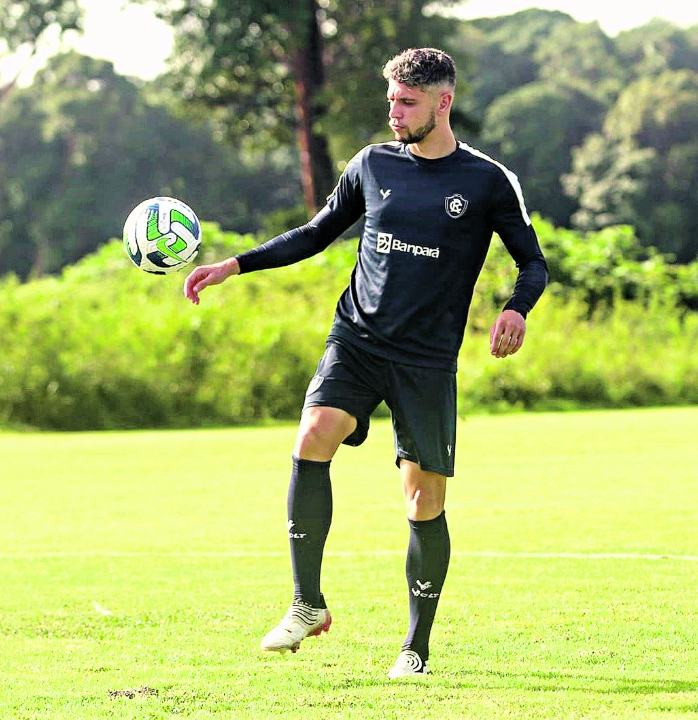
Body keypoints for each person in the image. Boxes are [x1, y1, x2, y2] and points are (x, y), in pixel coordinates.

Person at [182, 47, 548, 679]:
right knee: (312, 435)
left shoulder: (487, 181)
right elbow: (316, 232)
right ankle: (306, 603)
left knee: (422, 500)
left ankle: (415, 646)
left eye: (407, 102)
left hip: (427, 360)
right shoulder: (373, 164)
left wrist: (516, 309)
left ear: (443, 101)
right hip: (357, 338)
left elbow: (533, 262)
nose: (395, 112)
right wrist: (232, 265)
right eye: (391, 101)